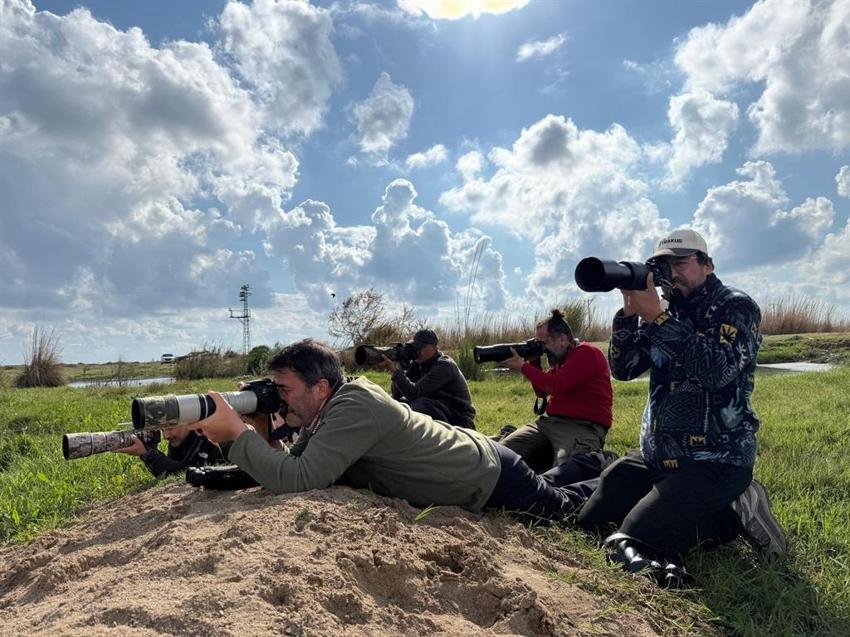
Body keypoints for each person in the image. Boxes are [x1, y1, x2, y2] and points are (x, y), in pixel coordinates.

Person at [195, 339, 607, 522]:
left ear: (319, 388)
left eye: (284, 390)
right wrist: (259, 427)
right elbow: (292, 464)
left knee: (568, 511)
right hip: (479, 459)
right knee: (550, 485)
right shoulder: (332, 410)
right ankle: (590, 463)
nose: (279, 398)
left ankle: (615, 471)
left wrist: (234, 434)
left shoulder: (353, 406)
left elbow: (298, 478)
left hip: (483, 475)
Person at [576, 228, 786, 583]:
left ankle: (735, 512)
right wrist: (628, 315)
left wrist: (658, 320)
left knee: (638, 538)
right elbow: (624, 369)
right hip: (658, 456)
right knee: (592, 521)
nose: (671, 274)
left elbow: (717, 371)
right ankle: (678, 506)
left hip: (715, 460)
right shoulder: (664, 310)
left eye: (681, 264)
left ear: (707, 265)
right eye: (662, 266)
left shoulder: (736, 306)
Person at [498, 309, 613, 473]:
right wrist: (533, 363)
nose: (542, 349)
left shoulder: (587, 353)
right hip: (551, 424)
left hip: (583, 427)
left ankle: (604, 460)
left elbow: (556, 386)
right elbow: (542, 392)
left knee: (566, 470)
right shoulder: (560, 360)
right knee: (502, 453)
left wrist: (523, 367)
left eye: (543, 344)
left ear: (562, 340)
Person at [377, 329, 476, 429]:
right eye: (416, 347)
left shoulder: (444, 366)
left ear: (434, 348)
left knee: (420, 404)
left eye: (421, 347)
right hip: (439, 407)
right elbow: (397, 394)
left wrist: (394, 371)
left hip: (460, 417)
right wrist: (400, 365)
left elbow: (413, 394)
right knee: (396, 402)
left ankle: (444, 434)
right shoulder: (419, 363)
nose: (418, 351)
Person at [114, 422, 223, 478]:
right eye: (163, 429)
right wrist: (150, 450)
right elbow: (169, 471)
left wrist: (147, 454)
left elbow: (185, 472)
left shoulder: (207, 438)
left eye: (170, 428)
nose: (166, 436)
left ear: (190, 422)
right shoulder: (182, 439)